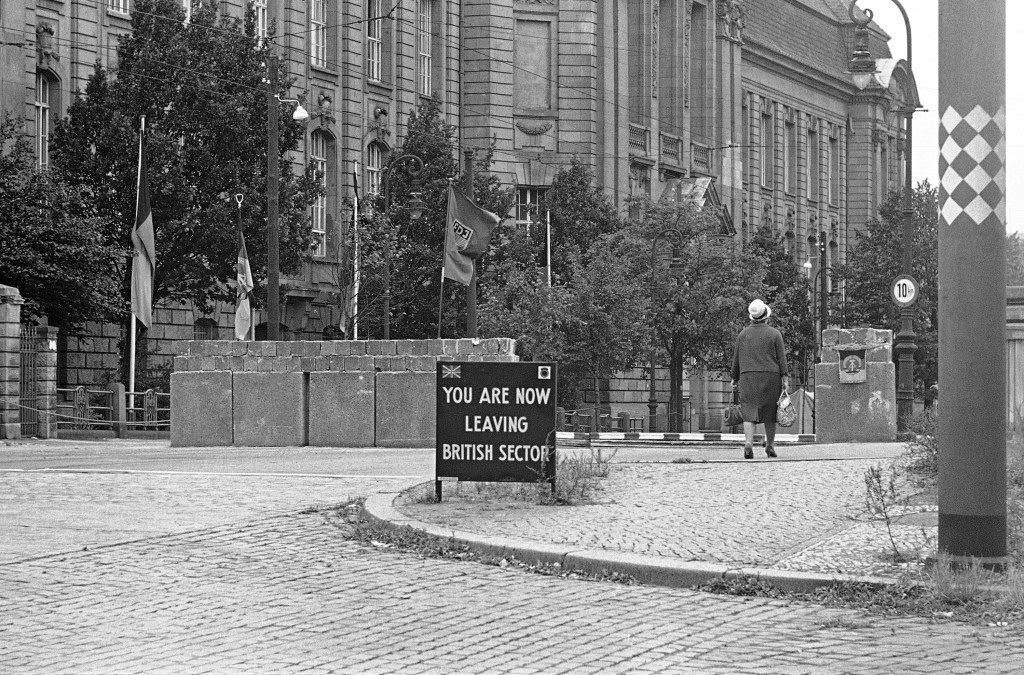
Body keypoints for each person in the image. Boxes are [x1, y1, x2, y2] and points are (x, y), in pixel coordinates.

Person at [730, 299, 790, 459]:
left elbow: (736, 358)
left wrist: (734, 377)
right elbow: (781, 358)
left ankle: (748, 443)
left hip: (748, 376)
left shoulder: (742, 335)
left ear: (751, 317)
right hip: (771, 376)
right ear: (766, 317)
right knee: (771, 413)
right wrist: (785, 377)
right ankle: (769, 445)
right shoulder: (775, 334)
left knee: (749, 412)